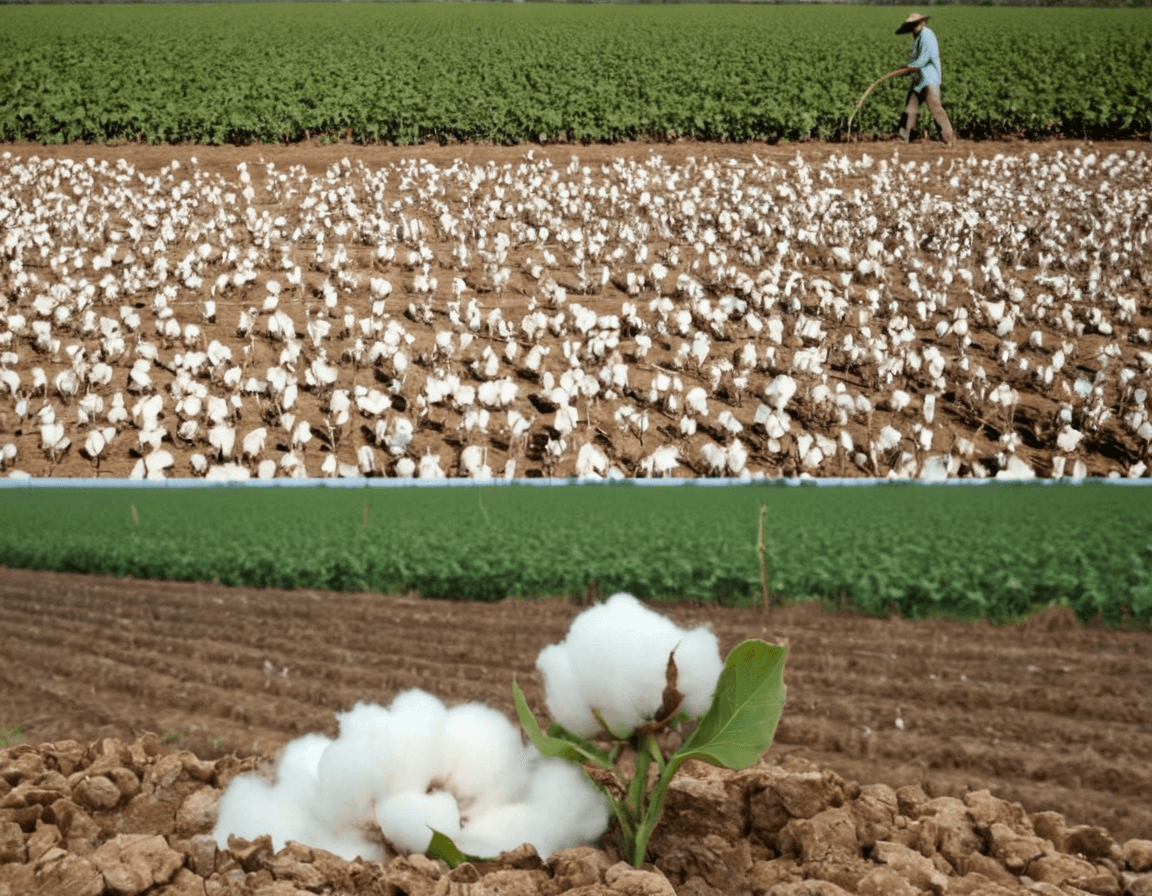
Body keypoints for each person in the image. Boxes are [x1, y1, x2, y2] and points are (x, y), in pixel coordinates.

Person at [895, 13, 955, 147]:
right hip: (919, 79)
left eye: (916, 24)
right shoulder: (917, 38)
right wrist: (907, 69)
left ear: (923, 24)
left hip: (929, 79)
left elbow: (924, 58)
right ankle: (903, 137)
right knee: (911, 107)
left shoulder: (926, 36)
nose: (914, 27)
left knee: (935, 107)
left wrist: (909, 68)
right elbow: (915, 60)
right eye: (912, 25)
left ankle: (948, 138)